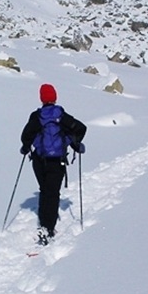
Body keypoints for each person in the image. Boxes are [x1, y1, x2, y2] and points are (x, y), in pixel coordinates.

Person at [20, 83, 87, 245]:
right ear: (55, 97)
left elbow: (25, 135)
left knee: (44, 191)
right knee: (53, 192)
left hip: (39, 160)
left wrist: (27, 147)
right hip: (58, 161)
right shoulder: (61, 115)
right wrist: (72, 143)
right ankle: (48, 227)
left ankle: (44, 223)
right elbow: (81, 128)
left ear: (41, 98)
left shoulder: (36, 116)